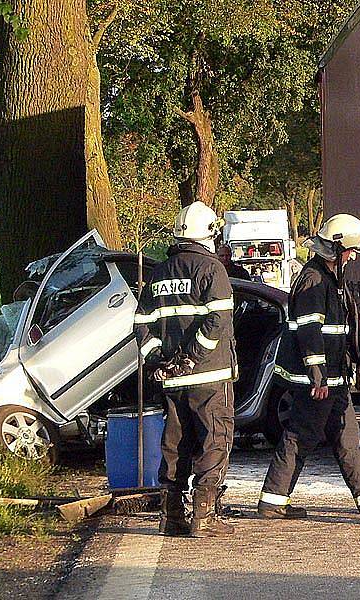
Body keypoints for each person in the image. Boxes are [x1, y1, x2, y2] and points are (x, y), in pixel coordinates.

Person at [257, 214, 360, 519]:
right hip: (317, 380)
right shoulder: (315, 281)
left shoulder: (328, 278)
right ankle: (273, 501)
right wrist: (318, 377)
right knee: (300, 435)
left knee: (347, 435)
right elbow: (310, 332)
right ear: (336, 249)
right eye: (350, 251)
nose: (352, 257)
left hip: (334, 377)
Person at [135, 201, 238, 538]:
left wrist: (158, 361)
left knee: (176, 443)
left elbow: (141, 324)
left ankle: (172, 516)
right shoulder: (211, 270)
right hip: (209, 376)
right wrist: (192, 357)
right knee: (215, 440)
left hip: (172, 380)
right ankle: (205, 517)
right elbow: (217, 320)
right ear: (209, 233)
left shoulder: (158, 272)